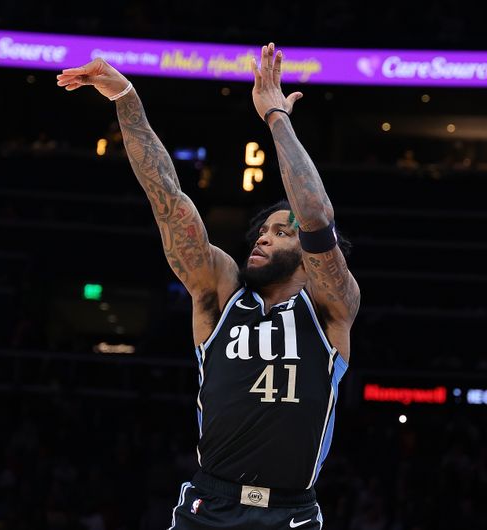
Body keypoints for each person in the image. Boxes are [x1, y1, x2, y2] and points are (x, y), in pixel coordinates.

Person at [57, 42, 360, 529]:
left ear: (307, 253)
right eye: (262, 230)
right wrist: (126, 99)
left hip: (291, 513)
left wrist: (276, 118)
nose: (263, 237)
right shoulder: (220, 291)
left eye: (280, 232)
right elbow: (168, 200)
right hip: (208, 505)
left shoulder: (330, 306)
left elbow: (316, 216)